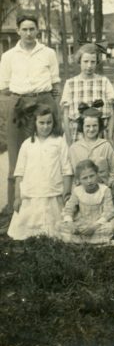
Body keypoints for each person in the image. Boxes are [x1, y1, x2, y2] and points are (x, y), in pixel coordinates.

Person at [0, 14, 61, 231]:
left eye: (32, 29)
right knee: (17, 159)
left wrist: (43, 101)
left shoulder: (48, 53)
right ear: (18, 31)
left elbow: (55, 84)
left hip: (43, 101)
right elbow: (4, 87)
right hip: (18, 103)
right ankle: (11, 212)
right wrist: (20, 100)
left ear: (38, 30)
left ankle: (51, 211)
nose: (28, 33)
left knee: (48, 153)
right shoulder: (8, 56)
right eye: (24, 29)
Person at [7, 103, 73, 240]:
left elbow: (67, 170)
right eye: (41, 123)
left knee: (56, 234)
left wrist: (66, 194)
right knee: (26, 234)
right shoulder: (27, 144)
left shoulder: (59, 142)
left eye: (49, 122)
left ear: (54, 123)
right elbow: (19, 173)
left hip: (53, 192)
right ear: (35, 123)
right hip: (31, 194)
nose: (45, 126)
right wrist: (18, 197)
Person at [60, 44, 114, 144]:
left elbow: (112, 112)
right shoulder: (70, 84)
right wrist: (69, 141)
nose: (89, 66)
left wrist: (110, 135)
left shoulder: (104, 82)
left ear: (97, 62)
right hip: (77, 136)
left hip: (101, 135)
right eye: (85, 61)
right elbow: (65, 115)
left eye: (93, 62)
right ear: (79, 61)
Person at [58, 160, 114, 245]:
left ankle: (81, 240)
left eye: (92, 176)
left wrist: (94, 226)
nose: (89, 181)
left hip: (98, 224)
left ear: (97, 174)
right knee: (59, 225)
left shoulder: (105, 190)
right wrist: (70, 223)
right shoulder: (77, 191)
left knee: (110, 228)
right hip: (83, 223)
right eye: (85, 178)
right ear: (79, 180)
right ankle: (96, 241)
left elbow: (109, 212)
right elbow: (69, 209)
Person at [68, 104, 114, 190]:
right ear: (82, 127)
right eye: (88, 126)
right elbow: (72, 174)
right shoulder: (74, 148)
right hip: (82, 193)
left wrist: (109, 185)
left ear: (99, 126)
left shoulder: (105, 146)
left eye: (94, 125)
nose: (91, 129)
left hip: (103, 190)